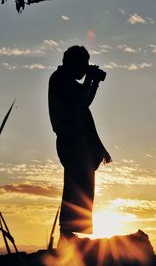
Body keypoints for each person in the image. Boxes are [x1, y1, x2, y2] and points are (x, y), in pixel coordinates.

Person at [48, 45, 111, 242]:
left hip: (77, 141)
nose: (85, 68)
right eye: (83, 64)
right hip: (70, 140)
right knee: (75, 185)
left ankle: (71, 231)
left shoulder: (65, 80)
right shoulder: (60, 79)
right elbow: (79, 101)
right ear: (72, 62)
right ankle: (66, 232)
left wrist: (94, 83)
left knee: (83, 185)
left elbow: (84, 102)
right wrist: (90, 79)